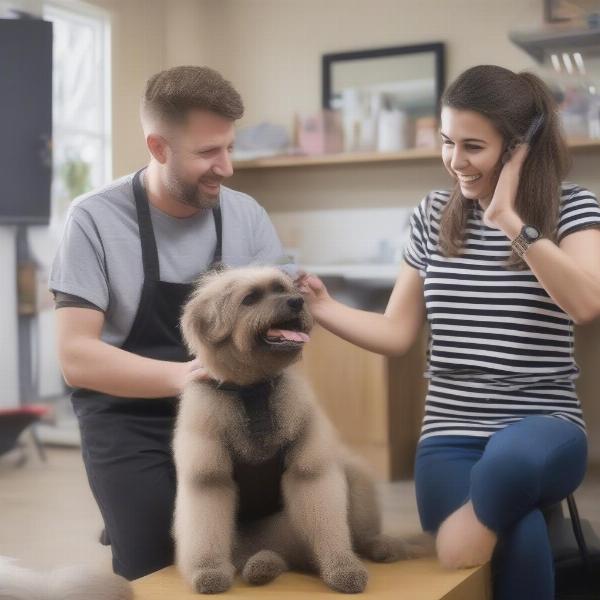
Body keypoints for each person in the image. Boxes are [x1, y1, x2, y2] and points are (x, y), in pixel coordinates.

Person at [296, 65, 600, 600]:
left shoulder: (572, 207)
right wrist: (322, 308)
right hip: (449, 434)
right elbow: (396, 332)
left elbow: (585, 303)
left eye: (473, 146)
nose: (455, 161)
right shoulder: (433, 214)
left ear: (517, 147)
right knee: (521, 535)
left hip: (543, 423)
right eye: (446, 141)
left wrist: (507, 217)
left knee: (512, 461)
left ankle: (484, 509)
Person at [49, 65, 290, 580]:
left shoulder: (246, 216)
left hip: (230, 409)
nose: (226, 167)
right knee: (162, 565)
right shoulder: (93, 219)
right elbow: (76, 358)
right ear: (158, 148)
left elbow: (279, 323)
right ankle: (134, 509)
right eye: (207, 152)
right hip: (128, 418)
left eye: (229, 147)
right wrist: (186, 376)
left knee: (265, 547)